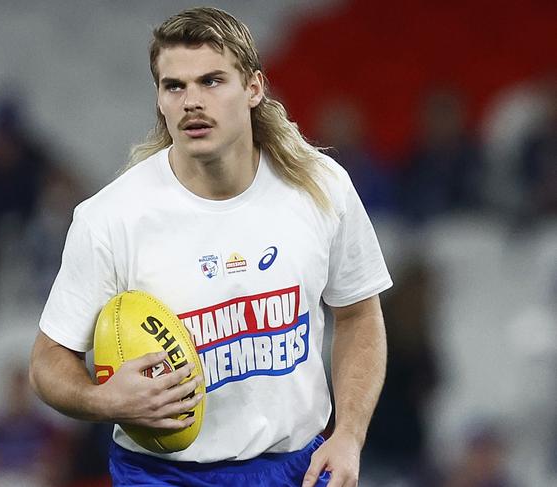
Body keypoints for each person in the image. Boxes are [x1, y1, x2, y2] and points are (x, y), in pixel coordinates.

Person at [29, 7, 392, 487]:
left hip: (295, 467)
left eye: (212, 81)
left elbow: (359, 314)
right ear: (159, 99)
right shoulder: (111, 217)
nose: (191, 102)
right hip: (161, 475)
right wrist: (104, 400)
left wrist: (348, 434)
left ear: (254, 88)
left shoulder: (320, 187)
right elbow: (47, 360)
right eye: (174, 86)